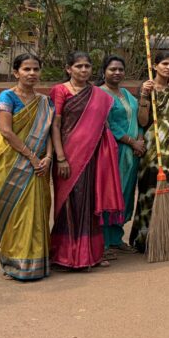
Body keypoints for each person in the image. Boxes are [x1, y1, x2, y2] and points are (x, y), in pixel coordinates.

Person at [50, 51, 123, 270]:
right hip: (68, 158)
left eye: (87, 66)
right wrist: (60, 157)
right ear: (68, 68)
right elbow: (54, 126)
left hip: (92, 157)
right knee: (69, 205)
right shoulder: (60, 90)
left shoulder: (98, 95)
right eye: (79, 66)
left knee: (90, 203)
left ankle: (90, 254)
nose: (83, 70)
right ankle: (64, 255)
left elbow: (104, 126)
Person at [0, 54, 54, 280]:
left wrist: (48, 156)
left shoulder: (44, 101)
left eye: (35, 69)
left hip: (39, 162)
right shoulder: (7, 96)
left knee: (36, 210)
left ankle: (35, 262)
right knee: (15, 210)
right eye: (26, 69)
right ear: (16, 72)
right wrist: (32, 158)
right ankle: (13, 262)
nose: (31, 73)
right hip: (12, 160)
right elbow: (6, 131)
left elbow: (48, 131)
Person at [132, 51, 169, 252]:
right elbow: (142, 121)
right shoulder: (147, 89)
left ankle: (165, 235)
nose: (168, 68)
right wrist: (144, 96)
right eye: (165, 64)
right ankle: (145, 238)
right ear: (155, 66)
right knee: (149, 190)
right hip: (153, 148)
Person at [99, 56, 143, 257]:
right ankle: (104, 241)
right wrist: (131, 141)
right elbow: (108, 123)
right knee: (111, 193)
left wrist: (140, 139)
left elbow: (139, 119)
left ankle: (117, 238)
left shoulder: (127, 94)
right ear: (104, 72)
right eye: (112, 69)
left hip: (133, 154)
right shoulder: (100, 94)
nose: (117, 72)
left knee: (126, 193)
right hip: (112, 151)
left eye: (120, 69)